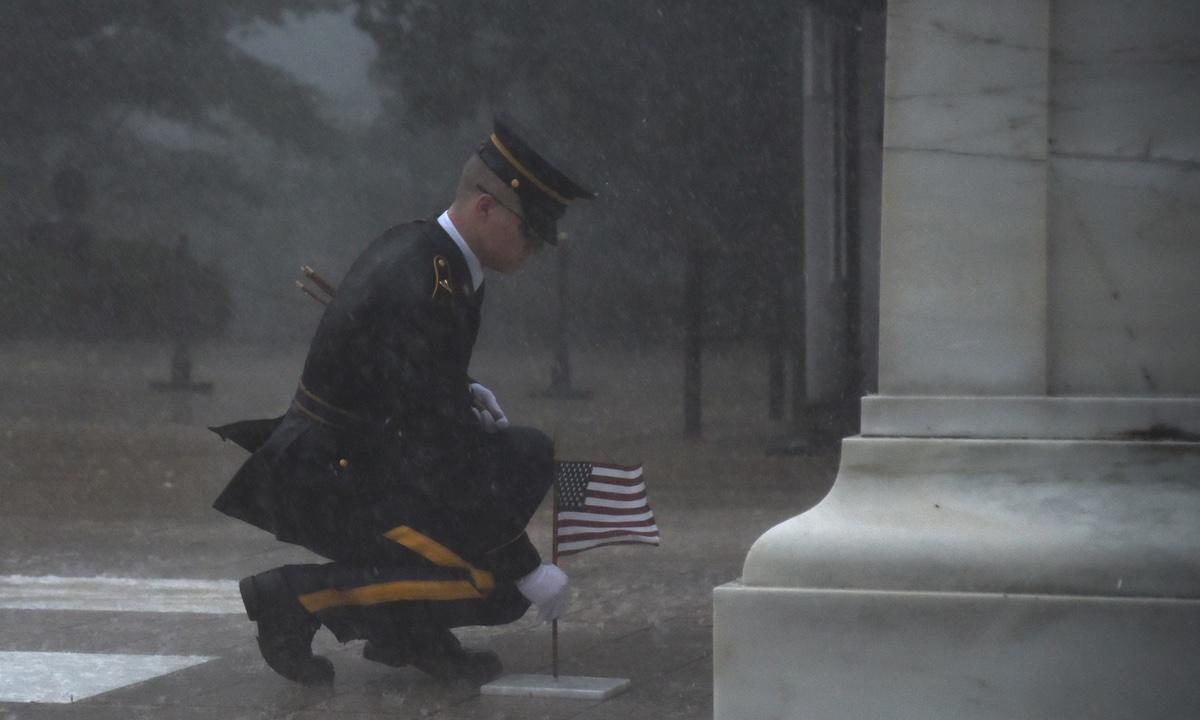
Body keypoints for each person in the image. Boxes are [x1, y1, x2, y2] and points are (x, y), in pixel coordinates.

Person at [210, 115, 595, 687]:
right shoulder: (426, 280)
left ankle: (407, 634)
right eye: (531, 230)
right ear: (487, 208)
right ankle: (295, 599)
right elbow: (435, 451)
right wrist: (526, 564)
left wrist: (458, 390)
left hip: (357, 460)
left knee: (526, 453)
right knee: (497, 584)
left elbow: (403, 383)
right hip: (336, 479)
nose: (537, 246)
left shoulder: (430, 252)